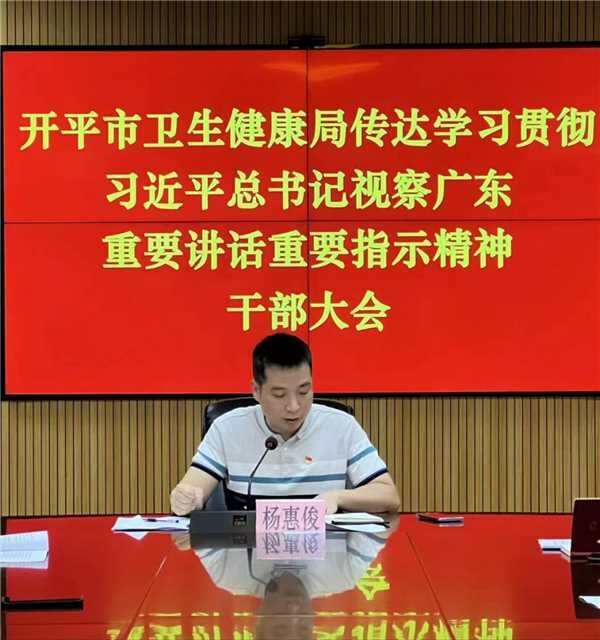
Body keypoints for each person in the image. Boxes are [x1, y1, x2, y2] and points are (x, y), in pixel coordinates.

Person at [170, 333, 400, 515]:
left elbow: (388, 496)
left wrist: (337, 497)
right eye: (279, 395)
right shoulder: (227, 428)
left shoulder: (342, 426)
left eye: (304, 391)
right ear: (256, 391)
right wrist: (187, 498)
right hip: (246, 555)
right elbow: (193, 488)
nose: (294, 406)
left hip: (327, 554)